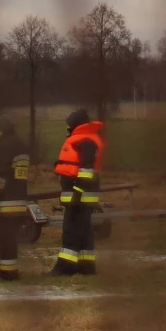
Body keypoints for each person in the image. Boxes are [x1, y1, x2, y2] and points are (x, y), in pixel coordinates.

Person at [46, 108, 104, 276]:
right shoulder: (87, 139)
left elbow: (86, 170)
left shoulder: (85, 141)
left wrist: (77, 193)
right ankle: (86, 266)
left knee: (71, 231)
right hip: (82, 195)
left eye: (69, 126)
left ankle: (65, 267)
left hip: (79, 196)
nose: (67, 129)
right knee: (84, 231)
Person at [0, 115, 30, 280]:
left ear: (0, 130)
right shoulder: (22, 147)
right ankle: (7, 270)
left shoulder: (4, 147)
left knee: (3, 238)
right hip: (20, 199)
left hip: (6, 200)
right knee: (10, 238)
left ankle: (7, 273)